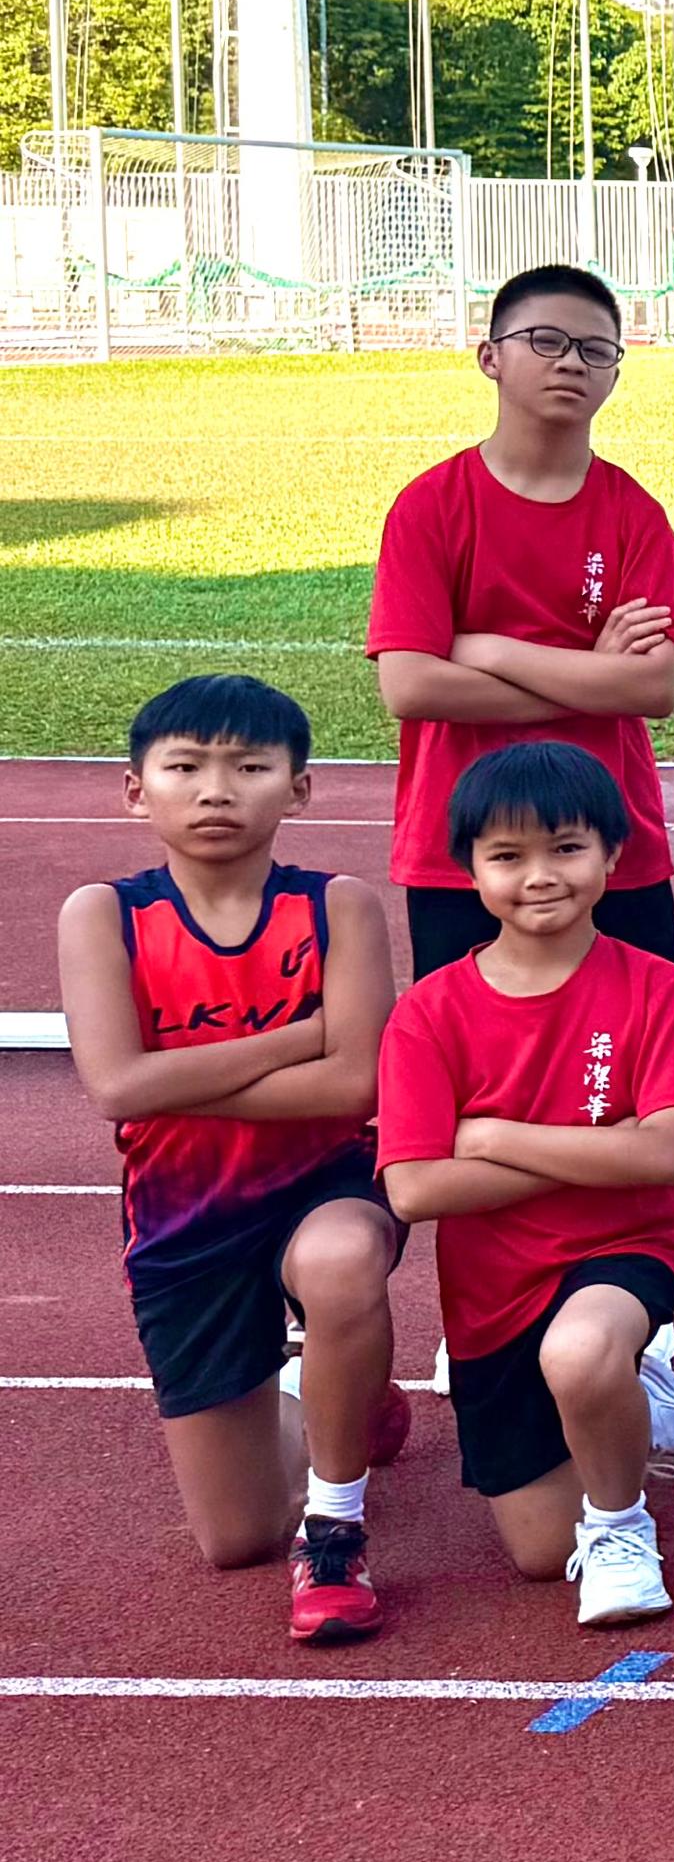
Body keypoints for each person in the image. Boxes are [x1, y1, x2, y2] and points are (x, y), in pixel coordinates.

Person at [62, 675, 404, 1636]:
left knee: (341, 1260)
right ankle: (336, 1393)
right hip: (185, 1212)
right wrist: (304, 1036)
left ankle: (334, 1531)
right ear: (137, 791)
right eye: (185, 767)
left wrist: (176, 1074)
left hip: (326, 1181)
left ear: (299, 789)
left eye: (250, 767)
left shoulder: (339, 906)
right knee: (237, 1536)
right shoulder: (102, 914)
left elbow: (355, 1087)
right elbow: (117, 1087)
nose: (216, 789)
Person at [372, 741, 674, 1627]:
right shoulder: (428, 1011)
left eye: (566, 847)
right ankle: (628, 1404)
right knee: (537, 1554)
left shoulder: (657, 988)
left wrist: (492, 1136)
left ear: (613, 853)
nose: (540, 875)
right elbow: (415, 1188)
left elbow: (663, 1156)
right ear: (469, 869)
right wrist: (599, 1147)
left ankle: (621, 1525)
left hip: (623, 1249)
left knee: (580, 1350)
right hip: (493, 1293)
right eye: (507, 854)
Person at [366, 263, 674, 977]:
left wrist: (486, 649)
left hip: (609, 842)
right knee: (467, 1041)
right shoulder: (430, 507)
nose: (571, 362)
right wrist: (593, 676)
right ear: (490, 357)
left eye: (595, 349)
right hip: (465, 845)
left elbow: (654, 687)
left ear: (613, 373)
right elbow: (412, 686)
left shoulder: (635, 515)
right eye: (546, 341)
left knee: (637, 1033)